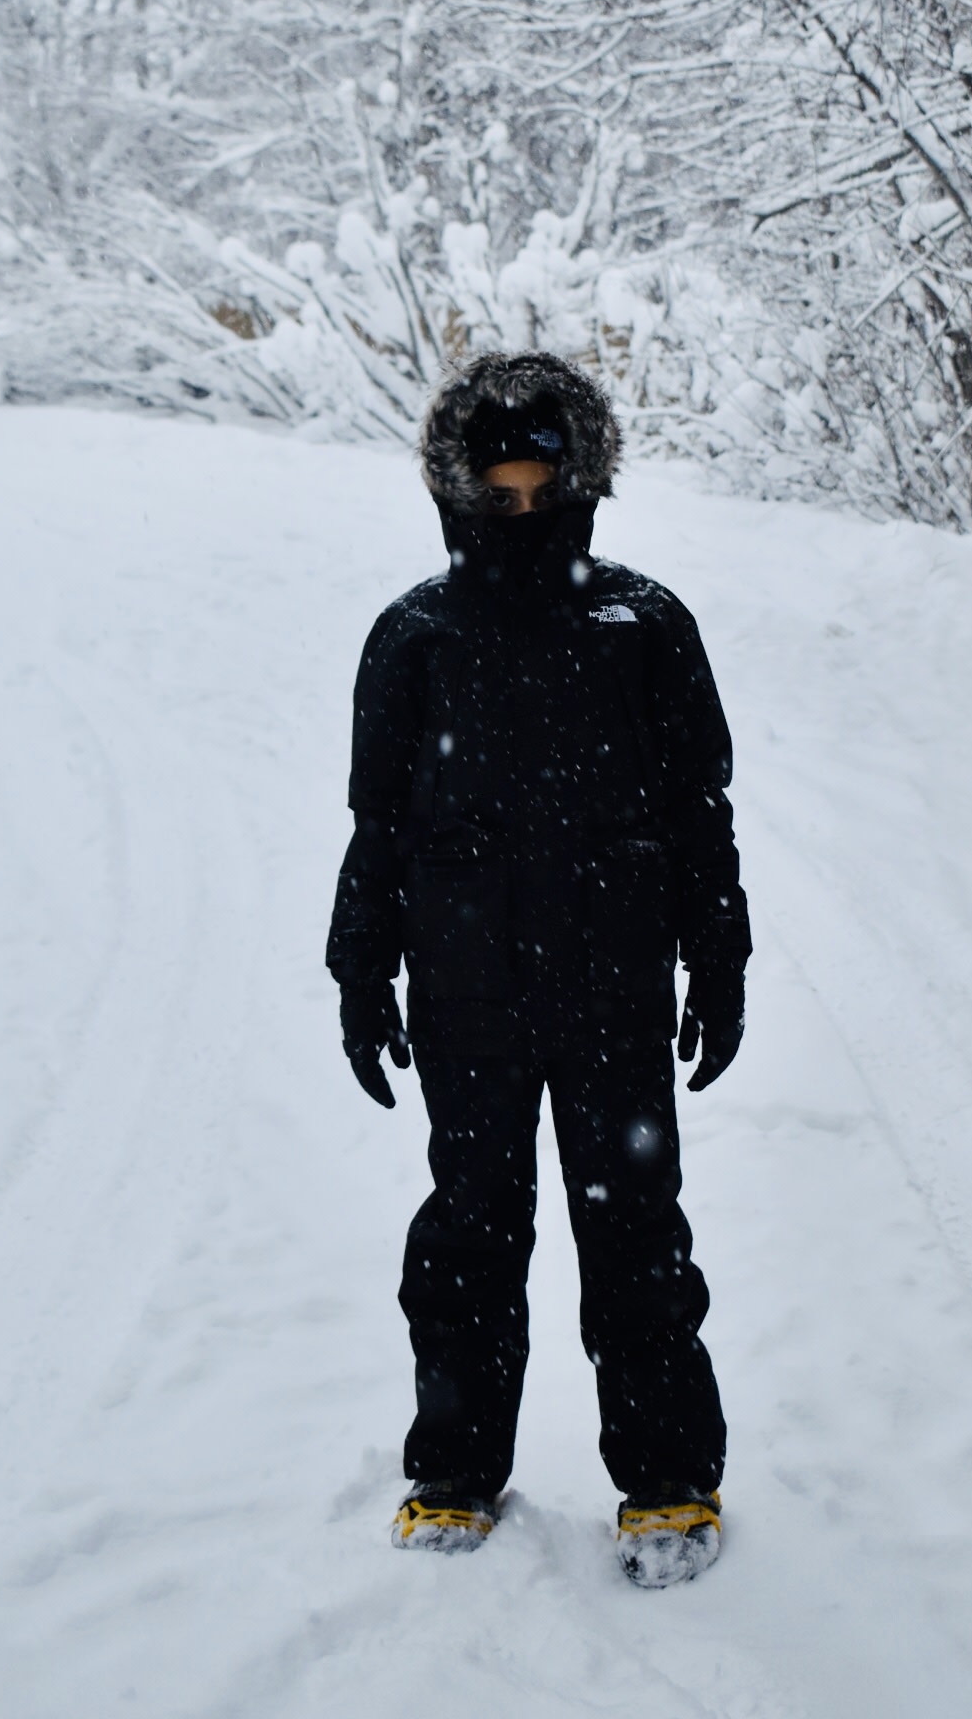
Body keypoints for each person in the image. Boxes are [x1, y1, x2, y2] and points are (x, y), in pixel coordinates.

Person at [326, 351, 753, 1588]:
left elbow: (699, 813)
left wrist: (716, 959)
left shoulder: (645, 627)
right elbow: (379, 826)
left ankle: (670, 1480)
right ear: (457, 494)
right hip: (467, 997)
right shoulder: (415, 637)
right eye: (496, 492)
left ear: (583, 485)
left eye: (539, 490)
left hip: (616, 991)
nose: (520, 513)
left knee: (636, 1243)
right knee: (468, 1236)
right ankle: (454, 1470)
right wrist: (362, 973)